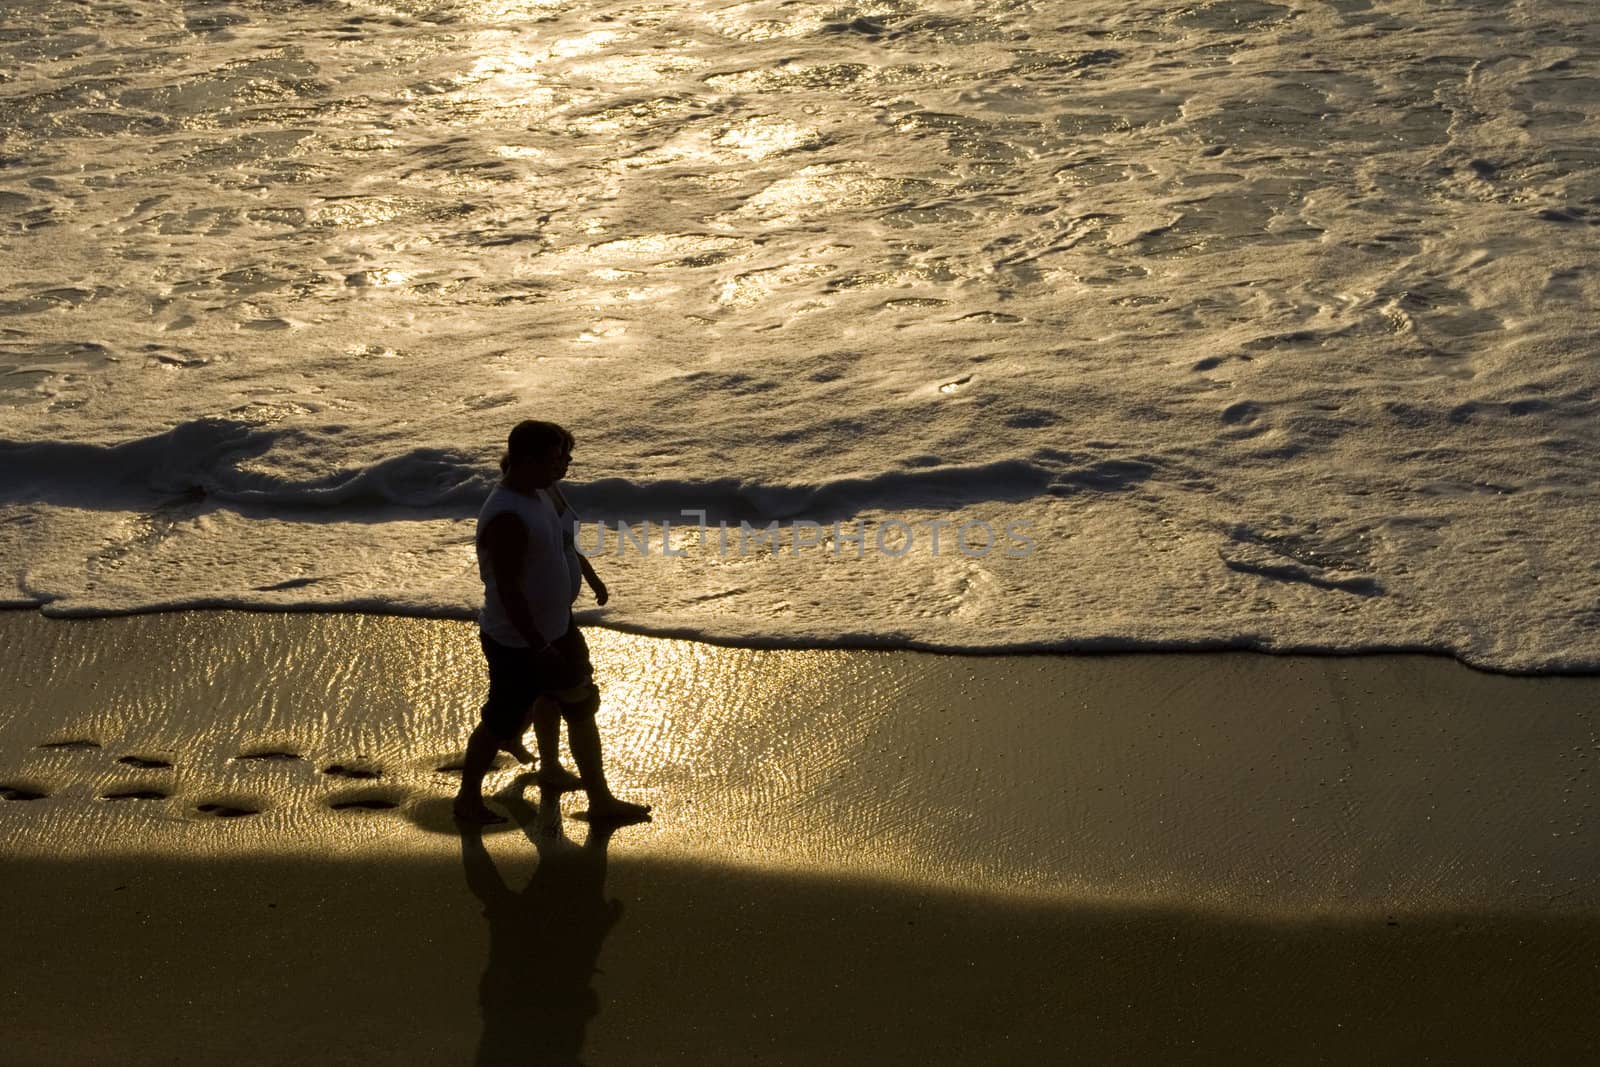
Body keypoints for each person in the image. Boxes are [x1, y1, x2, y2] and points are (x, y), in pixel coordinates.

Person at [453, 420, 652, 827]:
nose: (566, 462)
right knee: (499, 722)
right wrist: (540, 649)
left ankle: (598, 799)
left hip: (558, 628)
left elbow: (562, 539)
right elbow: (507, 592)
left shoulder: (543, 490)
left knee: (577, 704)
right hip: (518, 644)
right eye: (557, 456)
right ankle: (467, 799)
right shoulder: (507, 515)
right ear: (528, 459)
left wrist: (588, 573)